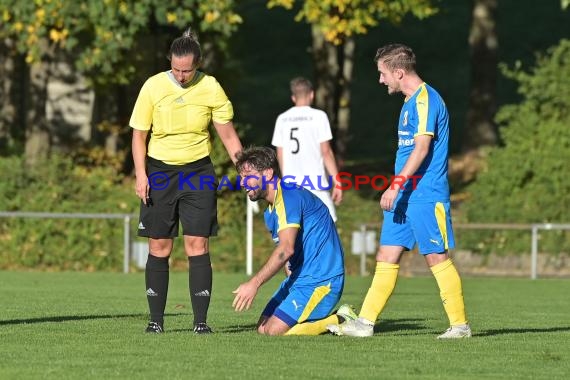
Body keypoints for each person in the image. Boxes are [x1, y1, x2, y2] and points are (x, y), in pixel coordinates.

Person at [328, 44, 471, 339]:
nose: (381, 80)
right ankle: (365, 323)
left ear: (399, 72)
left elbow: (421, 149)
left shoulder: (426, 100)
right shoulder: (408, 102)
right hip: (405, 194)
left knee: (436, 257)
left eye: (383, 74)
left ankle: (460, 326)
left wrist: (395, 185)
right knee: (386, 254)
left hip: (426, 193)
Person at [130, 27, 242, 334]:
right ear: (170, 62)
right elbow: (139, 136)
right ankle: (155, 321)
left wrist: (245, 171)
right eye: (177, 69)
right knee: (160, 245)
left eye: (188, 70)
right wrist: (141, 175)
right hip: (160, 173)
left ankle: (201, 322)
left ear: (199, 63)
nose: (182, 76)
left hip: (198, 174)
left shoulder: (211, 87)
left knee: (198, 244)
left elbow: (228, 135)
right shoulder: (153, 87)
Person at [231, 146, 356, 336]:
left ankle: (340, 318)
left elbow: (285, 250)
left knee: (274, 331)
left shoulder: (289, 195)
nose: (242, 182)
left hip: (322, 280)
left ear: (268, 173)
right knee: (262, 328)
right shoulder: (270, 212)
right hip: (300, 279)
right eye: (241, 177)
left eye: (248, 175)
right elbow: (289, 255)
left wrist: (254, 283)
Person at [271, 77, 342, 222]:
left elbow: (280, 154)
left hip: (292, 186)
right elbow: (326, 152)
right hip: (315, 184)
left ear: (293, 97)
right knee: (328, 228)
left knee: (296, 231)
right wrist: (337, 181)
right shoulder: (319, 117)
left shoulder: (282, 119)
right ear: (312, 94)